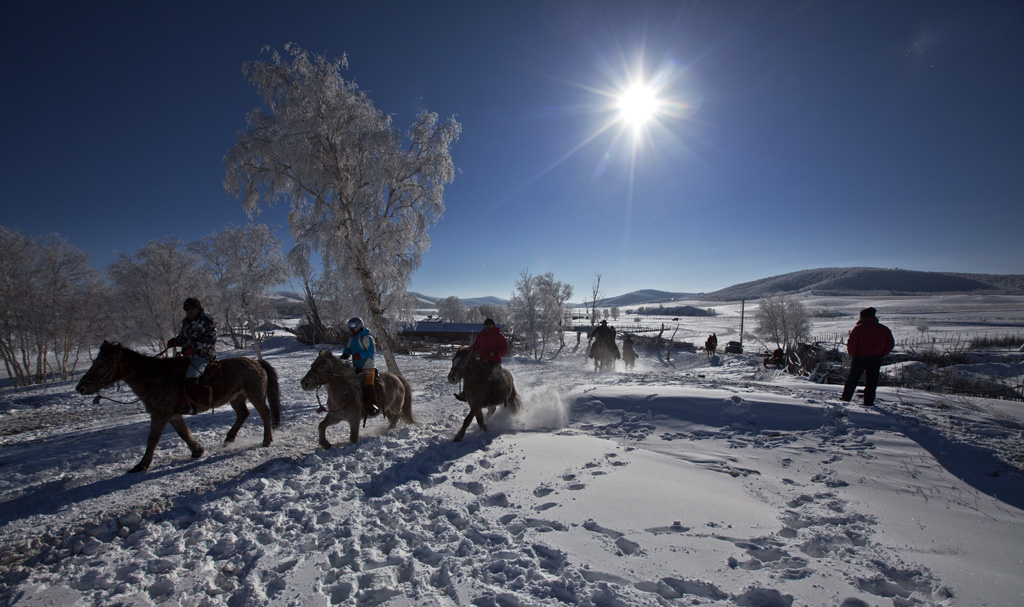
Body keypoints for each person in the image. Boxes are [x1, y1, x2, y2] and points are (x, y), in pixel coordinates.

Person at [166, 297, 217, 415]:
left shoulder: (206, 320)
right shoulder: (186, 322)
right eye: (187, 309)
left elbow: (211, 340)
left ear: (198, 309)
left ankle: (193, 405)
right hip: (188, 355)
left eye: (192, 309)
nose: (189, 311)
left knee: (191, 374)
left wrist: (194, 347)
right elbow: (183, 337)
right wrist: (176, 341)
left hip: (204, 355)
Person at [841, 307, 895, 407]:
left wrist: (853, 354)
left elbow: (852, 344)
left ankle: (846, 398)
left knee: (853, 379)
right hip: (875, 358)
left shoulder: (858, 329)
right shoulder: (883, 329)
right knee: (872, 381)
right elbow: (891, 344)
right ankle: (869, 402)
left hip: (859, 358)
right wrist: (883, 353)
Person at [455, 318, 508, 402]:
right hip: (483, 360)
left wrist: (495, 353)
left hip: (494, 360)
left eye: (489, 324)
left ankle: (498, 394)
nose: (487, 326)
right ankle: (465, 393)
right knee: (469, 372)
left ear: (493, 325)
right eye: (486, 325)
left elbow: (504, 348)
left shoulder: (498, 335)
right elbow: (475, 346)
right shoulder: (481, 335)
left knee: (496, 374)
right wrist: (469, 352)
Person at [340, 317, 379, 416]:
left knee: (368, 384)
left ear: (358, 327)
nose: (351, 331)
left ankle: (373, 404)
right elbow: (348, 348)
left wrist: (359, 355)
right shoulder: (352, 339)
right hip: (356, 366)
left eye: (352, 329)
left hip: (368, 366)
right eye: (350, 329)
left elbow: (371, 351)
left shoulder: (367, 338)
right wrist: (345, 354)